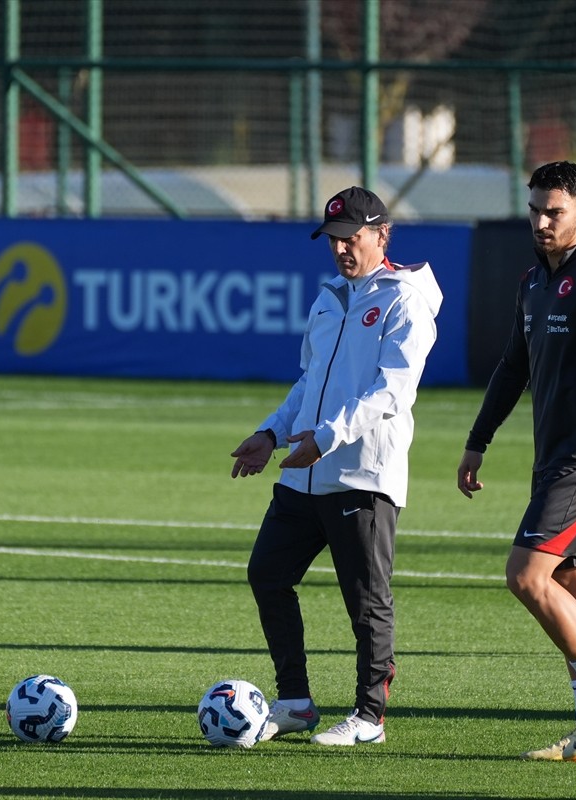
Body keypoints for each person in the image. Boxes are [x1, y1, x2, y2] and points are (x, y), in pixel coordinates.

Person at [230, 186, 442, 746]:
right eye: (333, 240)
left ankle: (370, 718)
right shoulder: (328, 298)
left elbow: (391, 392)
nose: (342, 249)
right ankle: (296, 701)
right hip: (305, 472)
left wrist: (325, 438)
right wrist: (270, 432)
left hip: (363, 473)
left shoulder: (405, 299)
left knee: (366, 601)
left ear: (381, 234)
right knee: (267, 574)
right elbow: (309, 382)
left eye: (352, 237)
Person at [456, 162, 576, 762]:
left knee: (526, 576)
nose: (540, 220)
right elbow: (514, 366)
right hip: (555, 455)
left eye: (553, 211)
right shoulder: (535, 279)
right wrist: (478, 439)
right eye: (534, 209)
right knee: (572, 579)